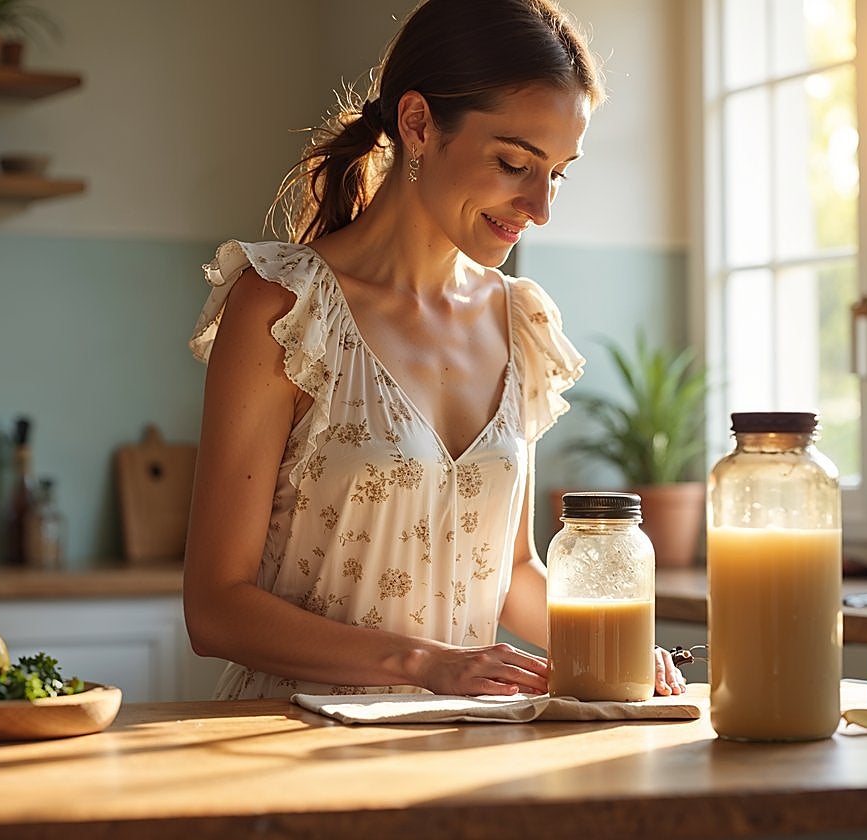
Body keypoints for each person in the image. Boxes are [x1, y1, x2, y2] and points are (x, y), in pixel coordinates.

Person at [183, 0, 687, 700]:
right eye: (514, 162)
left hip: (465, 752)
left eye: (559, 173)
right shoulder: (283, 307)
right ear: (418, 125)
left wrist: (617, 644)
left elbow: (509, 575)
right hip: (294, 744)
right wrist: (421, 663)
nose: (540, 206)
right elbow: (215, 607)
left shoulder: (519, 320)